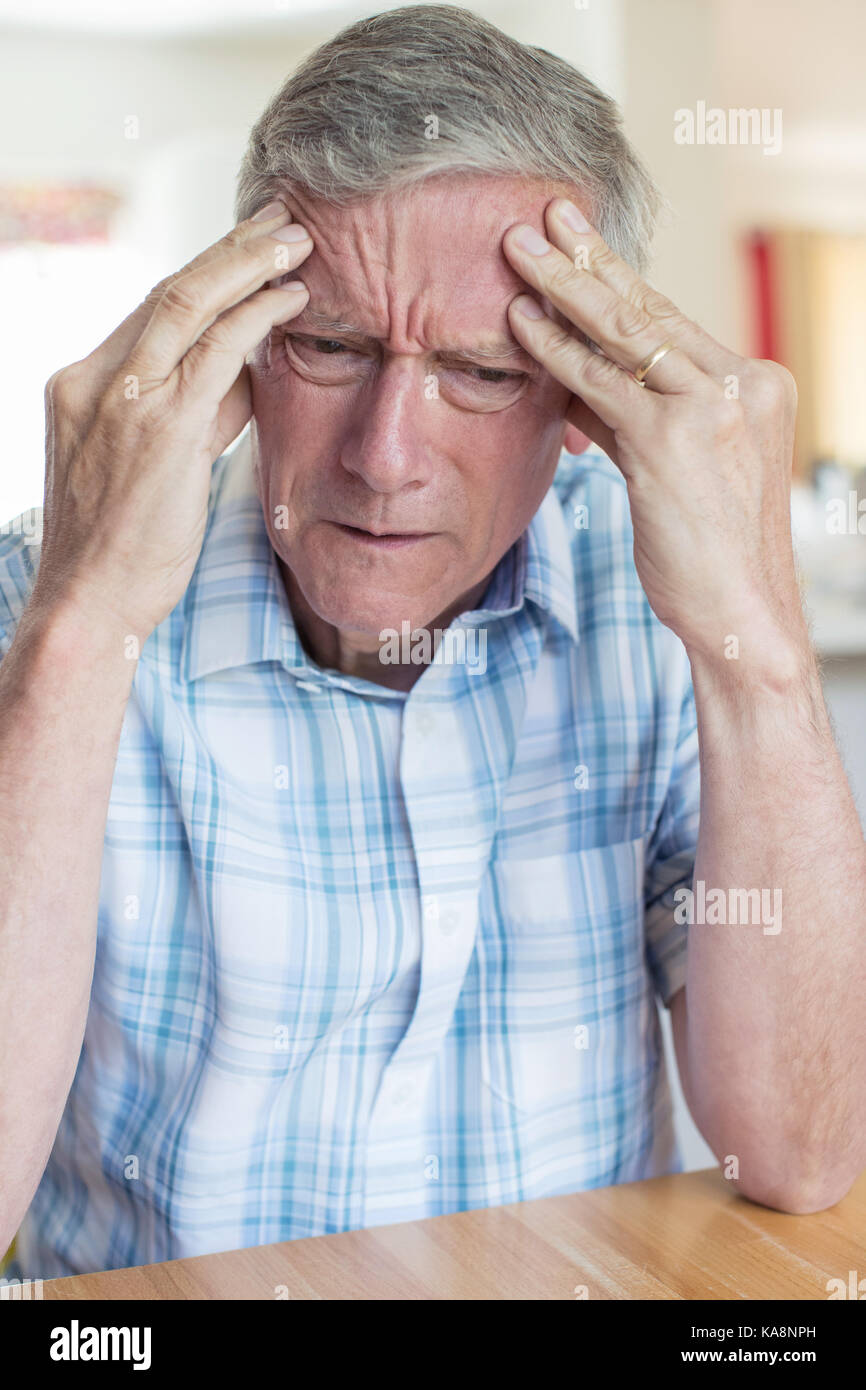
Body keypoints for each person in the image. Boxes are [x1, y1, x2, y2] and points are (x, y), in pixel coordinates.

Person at [1, 5, 864, 1281]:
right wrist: (78, 631)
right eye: (330, 345)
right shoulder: (45, 596)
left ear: (585, 398)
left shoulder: (658, 607)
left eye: (481, 369)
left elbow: (799, 1151)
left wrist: (758, 644)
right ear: (234, 354)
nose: (383, 458)